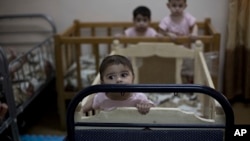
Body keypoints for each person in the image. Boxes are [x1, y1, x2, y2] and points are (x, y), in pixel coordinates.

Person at [82, 55, 155, 115]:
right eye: (111, 77)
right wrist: (80, 109)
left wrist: (146, 106)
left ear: (133, 77)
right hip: (110, 131)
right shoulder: (101, 97)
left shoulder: (139, 97)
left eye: (123, 75)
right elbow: (83, 108)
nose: (118, 80)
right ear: (102, 82)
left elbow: (155, 110)